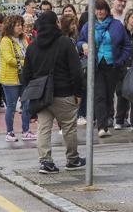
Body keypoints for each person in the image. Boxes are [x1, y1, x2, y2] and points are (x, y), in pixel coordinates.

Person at [22, 11, 86, 174]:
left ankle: (46, 161)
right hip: (64, 93)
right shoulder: (64, 42)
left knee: (43, 128)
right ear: (54, 24)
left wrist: (33, 91)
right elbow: (76, 71)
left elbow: (26, 74)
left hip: (42, 95)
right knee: (68, 127)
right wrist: (78, 93)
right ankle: (72, 159)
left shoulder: (32, 46)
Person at [77, 0, 131, 137]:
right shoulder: (88, 25)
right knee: (99, 95)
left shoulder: (116, 25)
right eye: (97, 9)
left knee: (109, 95)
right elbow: (79, 41)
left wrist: (121, 60)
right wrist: (83, 45)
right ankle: (102, 127)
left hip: (113, 65)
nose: (99, 11)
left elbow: (127, 45)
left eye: (102, 9)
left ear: (107, 10)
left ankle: (107, 119)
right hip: (96, 65)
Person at [0, 15, 35, 142]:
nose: (21, 27)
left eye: (21, 24)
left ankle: (26, 131)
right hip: (10, 79)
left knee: (26, 104)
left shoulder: (23, 39)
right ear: (11, 26)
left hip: (23, 77)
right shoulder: (5, 40)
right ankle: (9, 132)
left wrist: (26, 60)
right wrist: (26, 61)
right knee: (11, 106)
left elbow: (30, 53)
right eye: (18, 25)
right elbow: (9, 59)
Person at [115, 9, 133, 131]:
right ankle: (119, 120)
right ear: (127, 19)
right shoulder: (121, 32)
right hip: (122, 68)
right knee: (121, 94)